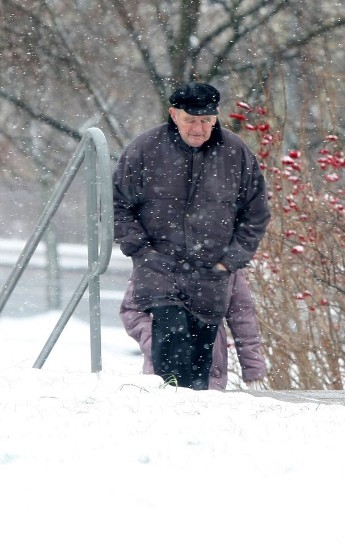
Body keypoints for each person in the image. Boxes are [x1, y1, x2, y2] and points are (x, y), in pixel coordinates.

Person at [113, 82, 270, 390]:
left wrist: (231, 260)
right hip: (159, 268)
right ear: (174, 114)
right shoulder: (144, 150)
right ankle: (169, 412)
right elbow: (118, 205)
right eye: (191, 120)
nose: (199, 128)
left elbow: (256, 212)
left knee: (203, 365)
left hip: (212, 273)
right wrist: (142, 252)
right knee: (170, 345)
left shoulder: (235, 152)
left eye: (206, 120)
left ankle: (196, 422)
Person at [120, 268, 267, 390]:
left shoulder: (225, 255)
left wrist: (252, 366)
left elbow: (241, 315)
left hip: (210, 372)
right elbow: (132, 311)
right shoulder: (157, 254)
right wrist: (157, 343)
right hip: (161, 371)